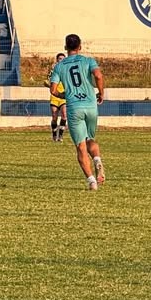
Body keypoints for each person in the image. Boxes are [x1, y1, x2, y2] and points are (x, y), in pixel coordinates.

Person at [49, 33, 106, 190]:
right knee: (90, 139)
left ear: (66, 47)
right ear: (80, 46)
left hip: (74, 107)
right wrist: (101, 93)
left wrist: (63, 95)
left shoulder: (59, 66)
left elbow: (53, 90)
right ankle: (97, 159)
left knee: (80, 146)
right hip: (90, 105)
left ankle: (91, 181)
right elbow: (98, 76)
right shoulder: (88, 61)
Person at [48, 52, 67, 142]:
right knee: (54, 117)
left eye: (63, 59)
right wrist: (48, 84)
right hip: (55, 96)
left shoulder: (67, 71)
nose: (62, 60)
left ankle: (61, 135)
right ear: (57, 60)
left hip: (63, 96)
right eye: (60, 59)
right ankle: (54, 134)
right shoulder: (53, 71)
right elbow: (49, 83)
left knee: (64, 115)